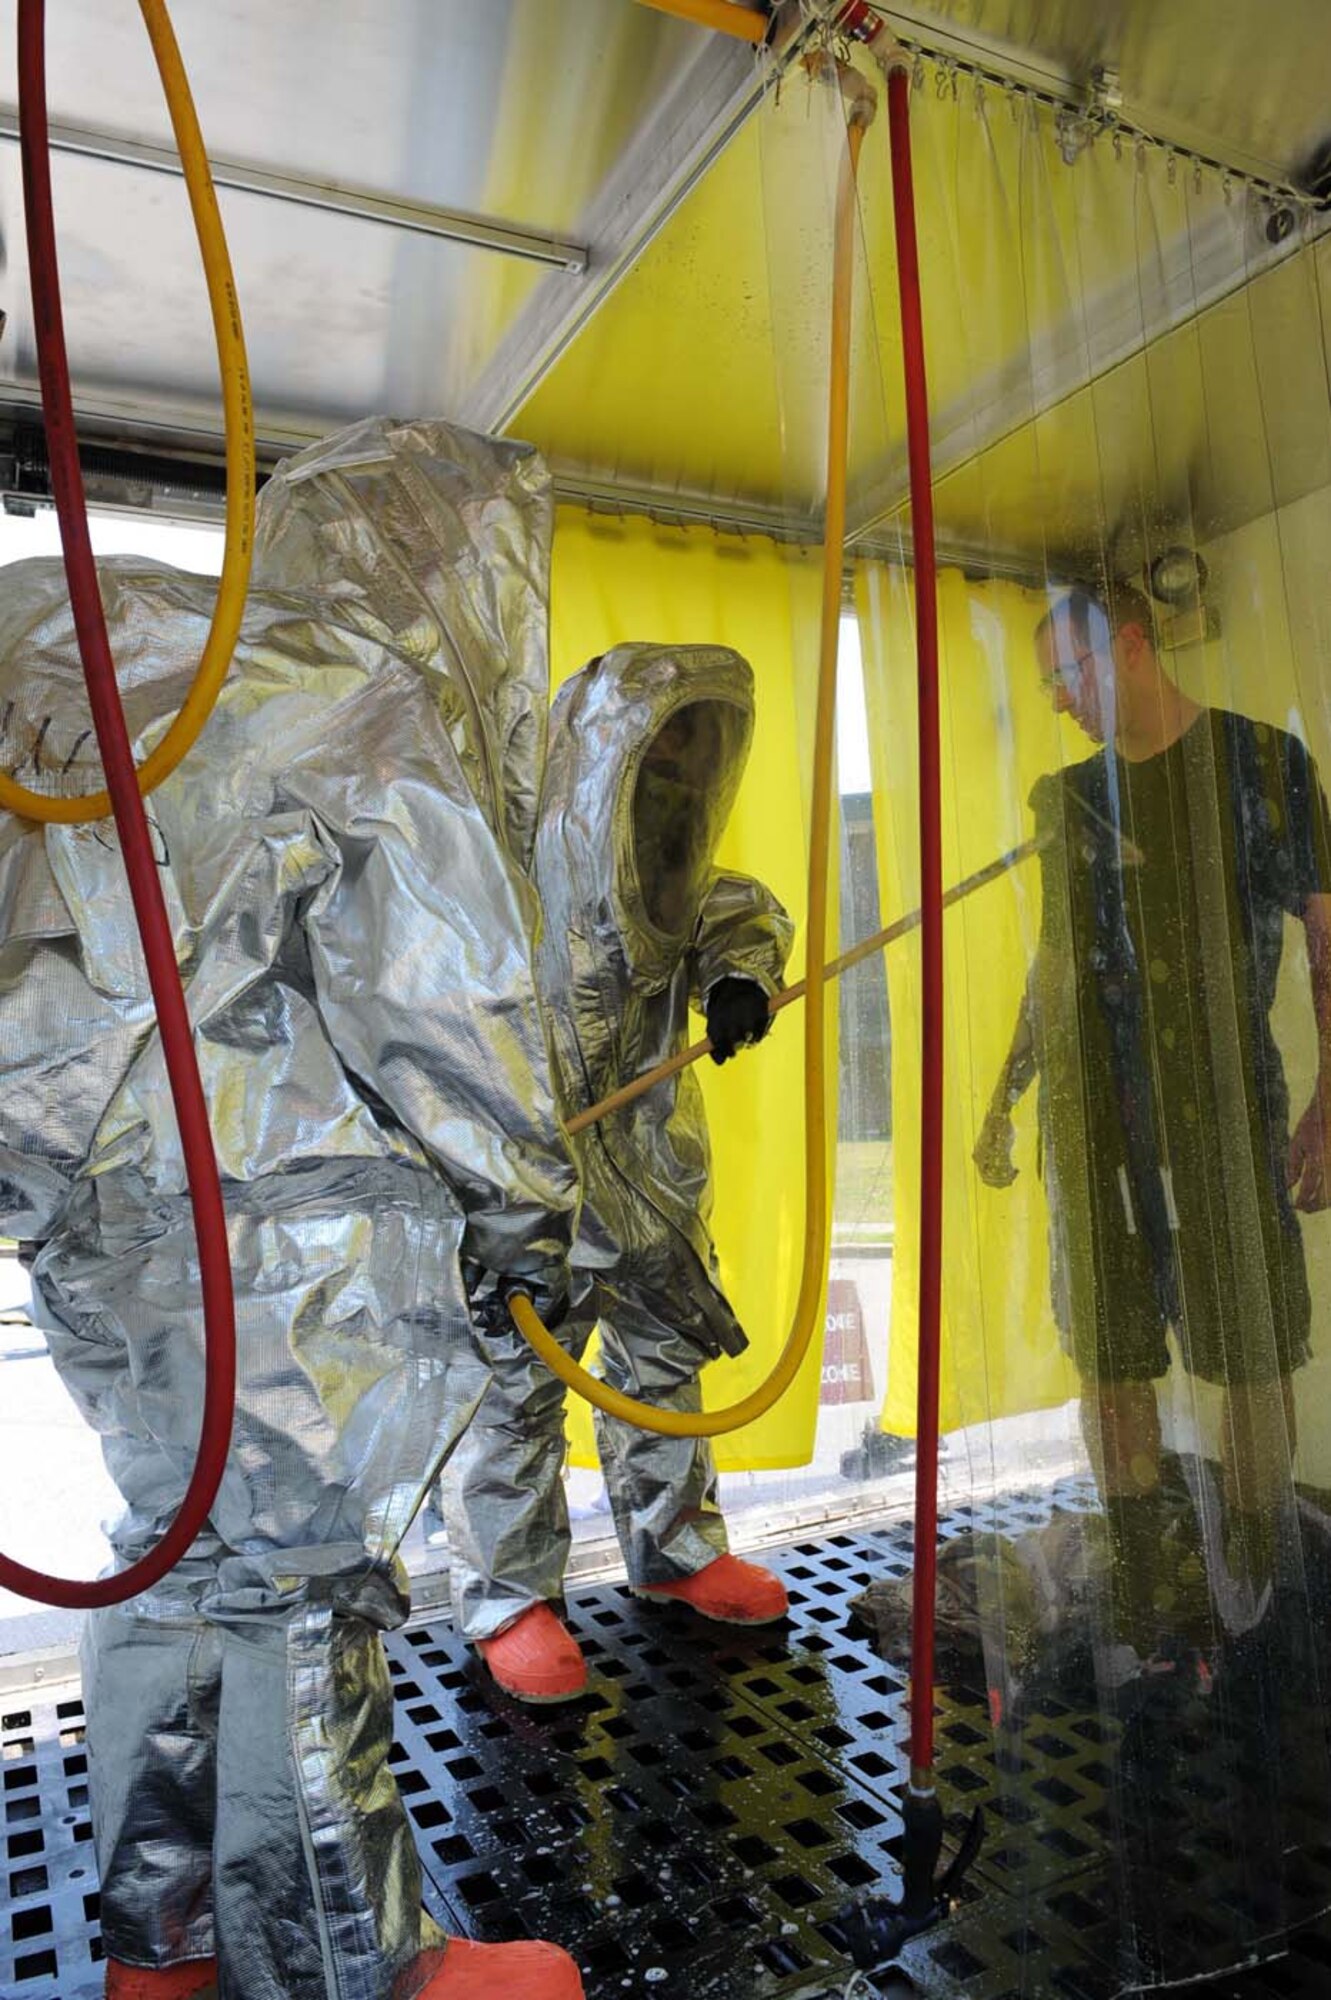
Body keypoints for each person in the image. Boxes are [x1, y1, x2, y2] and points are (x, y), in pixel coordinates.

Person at [0, 418, 583, 1999]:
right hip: (288, 1242)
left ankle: (164, 1936)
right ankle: (349, 1964)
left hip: (86, 1236)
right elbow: (448, 1008)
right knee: (303, 1587)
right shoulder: (364, 702)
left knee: (169, 1557)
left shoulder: (124, 664)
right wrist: (533, 1217)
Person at [975, 582, 1331, 1662]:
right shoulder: (1068, 796)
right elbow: (1051, 963)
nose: (1057, 698)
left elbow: (1323, 926)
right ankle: (1138, 1590)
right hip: (1093, 1127)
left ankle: (1261, 1583)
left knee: (1250, 1344)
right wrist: (1005, 1089)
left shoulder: (1257, 766)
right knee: (1109, 1351)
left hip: (1220, 1112)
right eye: (1043, 681)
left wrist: (1329, 1097)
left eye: (1068, 672)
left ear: (1128, 644)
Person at [440, 644, 795, 1702]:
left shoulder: (677, 872)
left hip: (648, 1178)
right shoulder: (506, 871)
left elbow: (737, 913)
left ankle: (677, 1551)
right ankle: (509, 1595)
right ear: (609, 753)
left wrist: (738, 978)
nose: (686, 768)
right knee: (515, 1388)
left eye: (703, 744)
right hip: (532, 1184)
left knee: (658, 1364)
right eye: (667, 740)